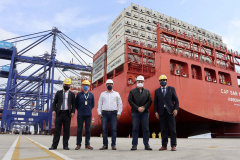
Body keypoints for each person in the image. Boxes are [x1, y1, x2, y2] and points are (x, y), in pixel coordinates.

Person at [154, 75, 179, 151]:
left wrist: (176, 109)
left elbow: (176, 101)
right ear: (159, 81)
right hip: (161, 113)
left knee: (172, 130)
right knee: (163, 130)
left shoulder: (171, 89)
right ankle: (164, 145)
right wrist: (156, 112)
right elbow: (155, 103)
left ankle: (173, 145)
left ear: (166, 80)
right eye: (161, 80)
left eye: (164, 80)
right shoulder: (157, 91)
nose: (163, 81)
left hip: (171, 112)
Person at [49, 78, 75, 150]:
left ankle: (65, 146)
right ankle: (54, 145)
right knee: (57, 130)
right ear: (63, 85)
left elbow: (74, 104)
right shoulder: (58, 93)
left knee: (67, 130)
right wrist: (54, 110)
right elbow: (54, 103)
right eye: (65, 84)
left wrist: (73, 111)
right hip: (59, 113)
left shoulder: (72, 94)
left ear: (70, 86)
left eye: (68, 85)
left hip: (67, 114)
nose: (66, 86)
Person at [128, 75, 153, 151]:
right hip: (135, 112)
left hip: (145, 112)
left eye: (141, 82)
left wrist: (144, 107)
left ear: (143, 82)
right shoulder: (132, 91)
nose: (140, 83)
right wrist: (137, 108)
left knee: (146, 129)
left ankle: (146, 145)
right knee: (135, 128)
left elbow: (150, 101)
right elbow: (130, 101)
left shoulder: (147, 91)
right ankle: (134, 145)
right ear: (136, 82)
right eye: (139, 81)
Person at [97, 79, 123, 150]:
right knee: (104, 129)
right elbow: (99, 104)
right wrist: (99, 112)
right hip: (104, 113)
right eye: (108, 84)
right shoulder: (102, 94)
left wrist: (119, 113)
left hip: (113, 113)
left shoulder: (116, 94)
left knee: (113, 129)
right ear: (106, 85)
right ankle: (105, 145)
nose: (109, 85)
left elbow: (120, 104)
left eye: (111, 84)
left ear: (113, 85)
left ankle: (113, 145)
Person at [75, 80, 94, 150]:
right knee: (79, 129)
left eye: (87, 85)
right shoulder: (79, 95)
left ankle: (87, 144)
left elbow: (92, 105)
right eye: (84, 85)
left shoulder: (91, 95)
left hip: (88, 114)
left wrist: (88, 109)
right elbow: (76, 104)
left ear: (89, 86)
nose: (86, 86)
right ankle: (78, 144)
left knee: (88, 130)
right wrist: (80, 109)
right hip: (80, 114)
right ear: (82, 86)